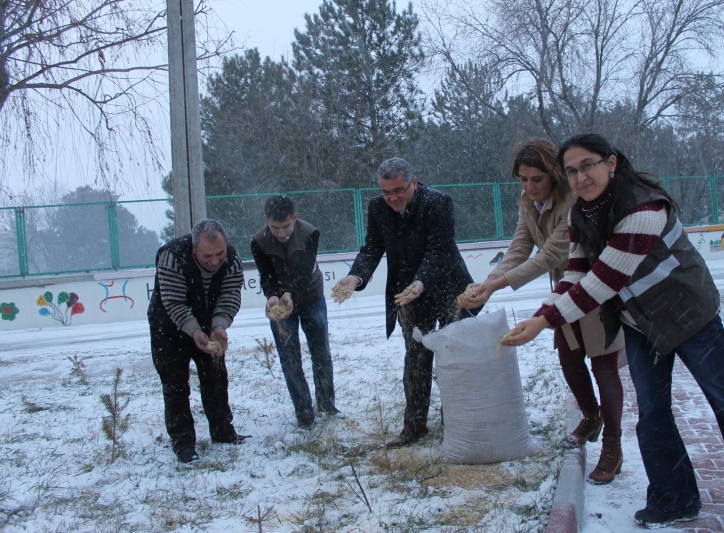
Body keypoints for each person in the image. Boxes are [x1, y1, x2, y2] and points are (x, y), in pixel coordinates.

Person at [501, 133, 724, 532]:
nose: (580, 177)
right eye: (571, 171)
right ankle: (674, 498)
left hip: (689, 316)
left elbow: (602, 281)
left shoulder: (643, 208)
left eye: (587, 165)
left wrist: (541, 322)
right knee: (653, 413)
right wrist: (544, 311)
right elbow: (575, 274)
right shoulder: (579, 216)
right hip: (638, 322)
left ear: (611, 162)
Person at [461, 138, 625, 484]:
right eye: (522, 179)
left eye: (536, 179)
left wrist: (497, 286)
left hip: (596, 285)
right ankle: (591, 416)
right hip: (564, 288)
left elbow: (550, 254)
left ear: (553, 174)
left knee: (603, 366)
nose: (529, 186)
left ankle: (613, 445)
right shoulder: (527, 203)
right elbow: (521, 246)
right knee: (568, 358)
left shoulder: (573, 201)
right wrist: (487, 282)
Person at [331, 157, 480, 448]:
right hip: (408, 296)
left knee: (457, 357)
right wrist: (354, 277)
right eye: (386, 192)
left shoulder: (439, 202)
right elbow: (372, 248)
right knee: (415, 359)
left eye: (399, 190)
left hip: (449, 289)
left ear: (414, 182)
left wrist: (421, 281)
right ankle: (414, 426)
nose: (393, 198)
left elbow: (440, 249)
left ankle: (460, 421)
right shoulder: (377, 208)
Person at [148, 219, 248, 464]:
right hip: (168, 326)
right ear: (194, 249)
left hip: (208, 321)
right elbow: (174, 302)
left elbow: (230, 294)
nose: (214, 261)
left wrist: (218, 327)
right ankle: (183, 442)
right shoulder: (172, 256)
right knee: (175, 384)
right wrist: (193, 331)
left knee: (215, 376)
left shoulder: (232, 259)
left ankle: (222, 430)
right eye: (207, 256)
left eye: (219, 254)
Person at [251, 195, 337, 429]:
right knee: (290, 358)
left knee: (321, 353)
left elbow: (305, 272)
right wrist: (272, 296)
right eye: (275, 227)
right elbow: (265, 275)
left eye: (286, 226)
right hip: (279, 303)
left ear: (295, 218)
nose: (281, 233)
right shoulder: (258, 241)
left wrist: (290, 293)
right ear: (266, 220)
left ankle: (327, 405)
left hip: (311, 296)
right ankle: (304, 413)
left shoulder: (310, 233)